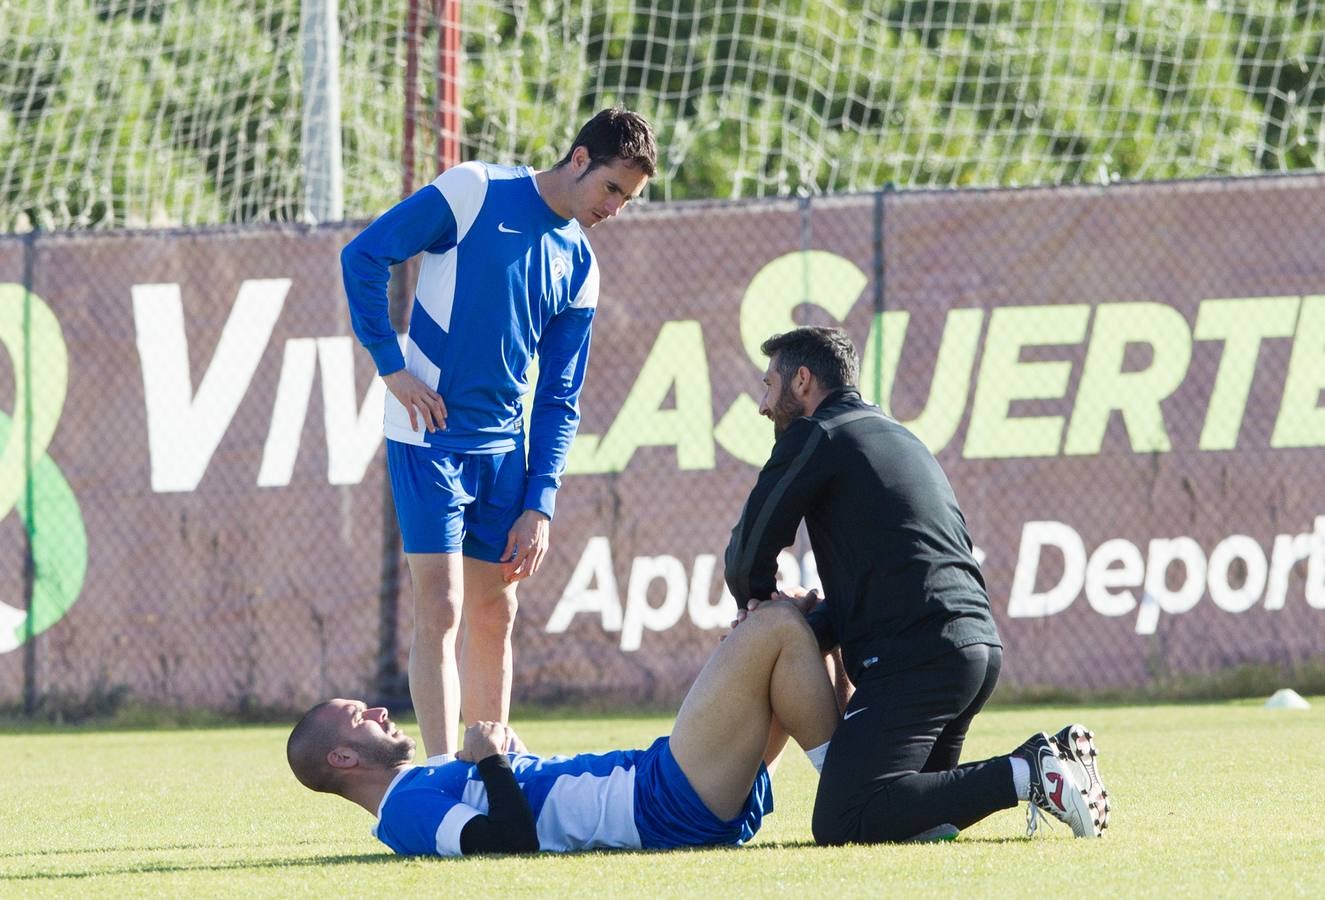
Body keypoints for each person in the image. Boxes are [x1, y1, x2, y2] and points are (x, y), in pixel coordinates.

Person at [341, 108, 657, 757]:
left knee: (496, 612)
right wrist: (392, 368)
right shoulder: (473, 191)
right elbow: (364, 255)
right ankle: (437, 775)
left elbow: (560, 398)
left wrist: (540, 502)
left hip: (505, 458)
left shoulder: (581, 266)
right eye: (612, 189)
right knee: (444, 605)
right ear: (578, 159)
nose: (616, 208)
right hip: (427, 440)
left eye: (627, 198)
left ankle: (490, 768)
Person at [724, 326, 1111, 842]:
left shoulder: (819, 434)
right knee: (915, 817)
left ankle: (1029, 771)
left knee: (846, 820)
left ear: (802, 380)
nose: (762, 405)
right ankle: (1048, 761)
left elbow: (751, 547)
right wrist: (807, 629)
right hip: (972, 650)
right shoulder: (894, 434)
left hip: (916, 658)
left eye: (768, 385)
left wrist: (756, 608)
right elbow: (902, 572)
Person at [286, 600, 838, 856]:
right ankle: (849, 791)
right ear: (342, 759)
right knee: (775, 626)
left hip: (653, 786)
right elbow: (510, 843)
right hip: (652, 801)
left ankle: (869, 772)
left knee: (805, 632)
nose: (380, 712)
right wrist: (491, 760)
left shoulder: (419, 781)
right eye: (361, 717)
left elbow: (526, 805)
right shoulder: (402, 811)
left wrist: (511, 757)